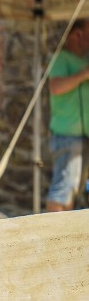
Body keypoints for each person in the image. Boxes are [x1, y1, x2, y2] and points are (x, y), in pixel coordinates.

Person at [46, 18, 89, 212]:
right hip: (66, 135)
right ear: (77, 35)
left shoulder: (85, 59)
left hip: (83, 136)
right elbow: (56, 87)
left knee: (73, 190)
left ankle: (66, 238)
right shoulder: (60, 58)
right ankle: (53, 238)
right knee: (62, 190)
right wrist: (84, 74)